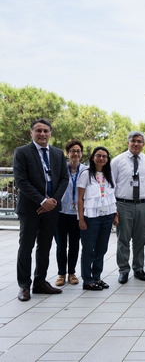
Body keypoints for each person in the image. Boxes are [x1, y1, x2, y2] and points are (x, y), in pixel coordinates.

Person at [14, 119, 69, 301]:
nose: (42, 134)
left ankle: (40, 282)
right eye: (38, 130)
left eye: (46, 131)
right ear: (32, 133)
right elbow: (21, 180)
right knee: (26, 246)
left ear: (50, 133)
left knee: (44, 246)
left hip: (51, 209)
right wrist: (42, 200)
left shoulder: (57, 153)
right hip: (30, 209)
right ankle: (24, 285)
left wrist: (52, 201)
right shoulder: (22, 152)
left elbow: (64, 179)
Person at [111, 131, 145, 284]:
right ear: (128, 142)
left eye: (139, 141)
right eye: (133, 141)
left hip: (143, 204)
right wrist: (114, 209)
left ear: (143, 144)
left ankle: (138, 268)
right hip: (124, 204)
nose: (136, 144)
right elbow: (111, 186)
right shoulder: (117, 161)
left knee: (140, 239)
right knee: (123, 239)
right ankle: (123, 270)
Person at [77, 146, 117, 290]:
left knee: (102, 248)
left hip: (107, 216)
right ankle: (87, 280)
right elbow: (80, 199)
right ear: (93, 157)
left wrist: (115, 215)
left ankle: (97, 277)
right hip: (91, 217)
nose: (101, 158)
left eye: (104, 156)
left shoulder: (109, 174)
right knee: (88, 249)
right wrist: (81, 219)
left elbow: (112, 196)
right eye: (98, 155)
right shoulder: (85, 174)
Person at [55, 140, 87, 287]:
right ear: (67, 153)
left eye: (78, 151)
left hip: (77, 214)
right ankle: (61, 274)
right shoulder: (60, 169)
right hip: (61, 212)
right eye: (73, 151)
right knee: (61, 245)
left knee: (74, 244)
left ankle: (72, 273)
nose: (76, 154)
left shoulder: (85, 171)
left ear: (81, 154)